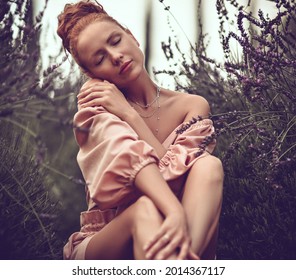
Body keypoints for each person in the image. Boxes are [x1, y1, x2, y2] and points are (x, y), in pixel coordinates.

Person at [57, 0, 224, 260]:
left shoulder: (192, 105)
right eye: (100, 58)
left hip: (177, 227)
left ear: (132, 37)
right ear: (92, 75)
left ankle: (180, 265)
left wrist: (129, 114)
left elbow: (176, 179)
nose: (115, 56)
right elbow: (145, 172)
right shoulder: (96, 112)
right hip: (112, 236)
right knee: (146, 208)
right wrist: (119, 111)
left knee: (208, 166)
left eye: (115, 41)